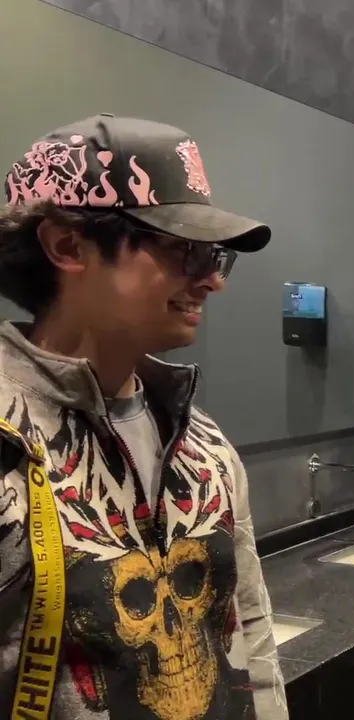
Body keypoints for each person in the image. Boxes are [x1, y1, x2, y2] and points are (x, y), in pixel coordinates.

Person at [0, 114, 287, 719]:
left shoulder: (204, 443)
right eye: (185, 250)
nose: (212, 281)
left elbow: (249, 639)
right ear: (67, 246)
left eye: (214, 256)